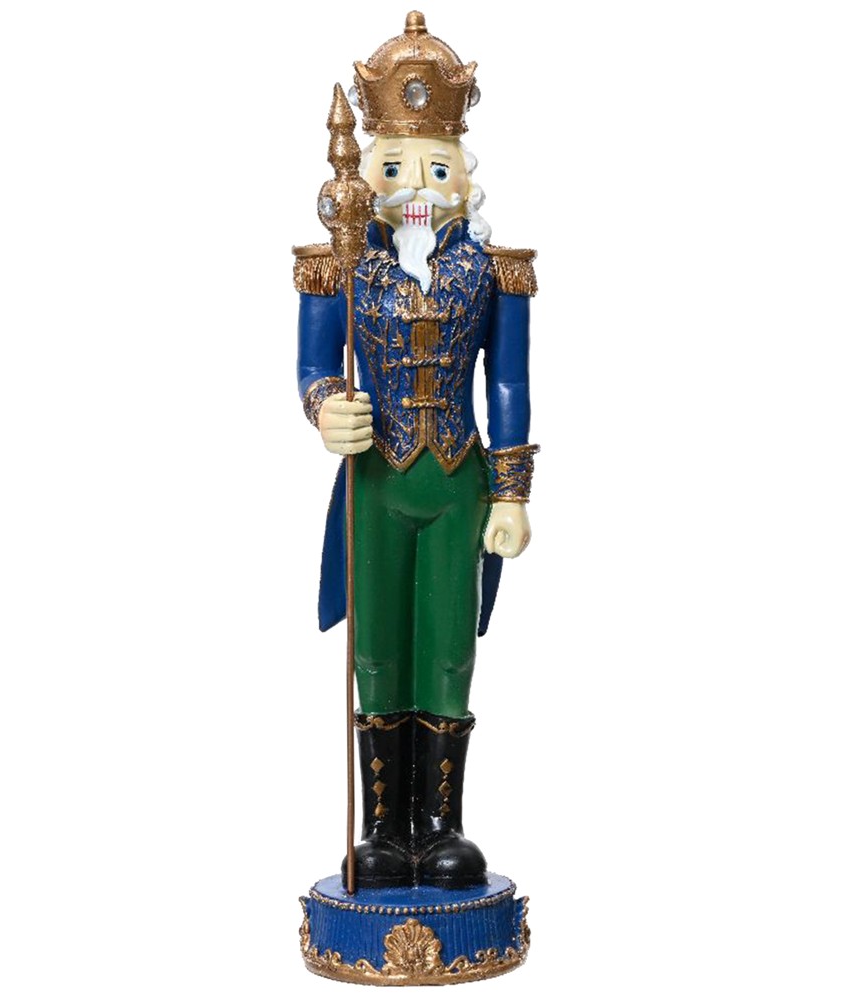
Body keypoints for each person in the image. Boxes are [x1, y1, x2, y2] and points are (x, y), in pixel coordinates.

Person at [294, 12, 538, 889]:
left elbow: (508, 383)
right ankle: (382, 827)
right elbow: (315, 366)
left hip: (457, 478)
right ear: (367, 179)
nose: (415, 189)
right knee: (377, 650)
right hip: (375, 481)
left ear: (464, 177)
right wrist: (326, 407)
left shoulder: (498, 270)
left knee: (446, 648)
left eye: (436, 169)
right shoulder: (339, 264)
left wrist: (511, 493)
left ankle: (440, 824)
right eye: (393, 169)